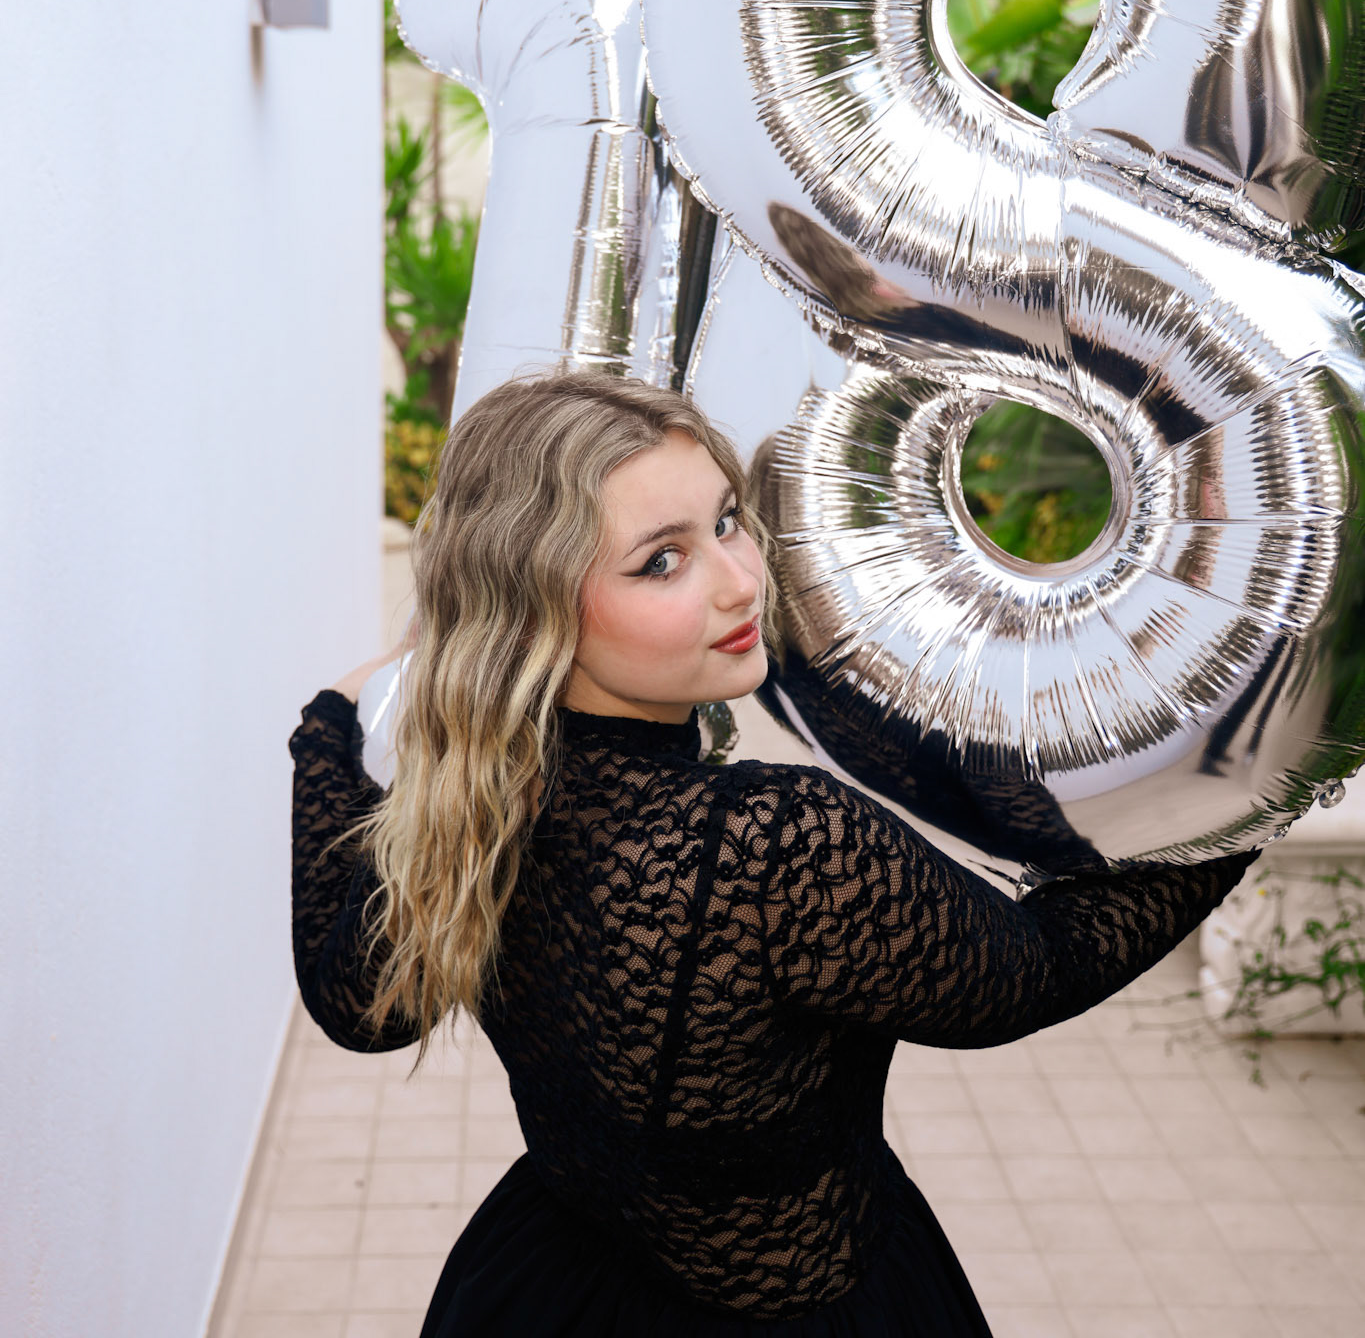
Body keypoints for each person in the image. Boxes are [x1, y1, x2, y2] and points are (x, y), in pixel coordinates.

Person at [290, 371, 1255, 1336]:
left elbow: (357, 1009)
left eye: (726, 521)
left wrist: (325, 728)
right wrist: (1251, 798)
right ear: (536, 607)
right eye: (660, 562)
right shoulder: (776, 843)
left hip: (554, 1286)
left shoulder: (470, 796)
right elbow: (1033, 971)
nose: (741, 579)